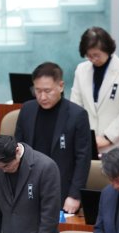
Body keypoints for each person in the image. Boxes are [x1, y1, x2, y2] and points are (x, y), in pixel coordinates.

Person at [15, 62, 92, 214]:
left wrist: (74, 195)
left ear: (61, 86)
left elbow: (83, 159)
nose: (42, 96)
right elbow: (18, 149)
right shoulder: (27, 110)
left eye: (47, 91)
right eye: (37, 91)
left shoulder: (77, 115)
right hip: (30, 187)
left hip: (62, 190)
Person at [70, 27, 119, 152]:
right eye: (89, 56)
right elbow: (75, 106)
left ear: (107, 49)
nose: (93, 59)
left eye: (96, 55)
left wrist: (107, 138)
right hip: (87, 142)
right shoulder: (81, 70)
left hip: (117, 144)